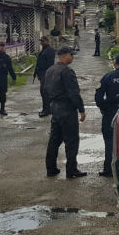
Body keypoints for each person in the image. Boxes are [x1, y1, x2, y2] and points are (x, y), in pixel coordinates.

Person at [44, 47, 87, 178]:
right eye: (71, 55)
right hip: (66, 108)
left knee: (54, 140)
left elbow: (45, 89)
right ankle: (71, 170)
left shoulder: (50, 70)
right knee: (71, 140)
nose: (72, 57)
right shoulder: (67, 71)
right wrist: (81, 109)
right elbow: (73, 93)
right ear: (64, 55)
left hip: (54, 107)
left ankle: (51, 168)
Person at [94, 54, 119, 177]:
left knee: (109, 141)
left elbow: (98, 96)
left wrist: (104, 107)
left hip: (111, 113)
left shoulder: (108, 76)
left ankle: (109, 169)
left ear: (115, 62)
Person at [0, 42, 16, 116]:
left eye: (3, 47)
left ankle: (2, 109)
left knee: (3, 93)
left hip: (3, 77)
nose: (1, 48)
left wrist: (13, 77)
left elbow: (10, 68)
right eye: (0, 46)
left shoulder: (6, 57)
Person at [35, 36, 56, 117]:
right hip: (42, 73)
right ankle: (47, 109)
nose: (41, 43)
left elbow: (49, 64)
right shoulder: (44, 50)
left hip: (46, 73)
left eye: (43, 41)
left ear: (47, 41)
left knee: (45, 92)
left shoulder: (50, 50)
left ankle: (46, 110)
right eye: (41, 41)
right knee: (44, 92)